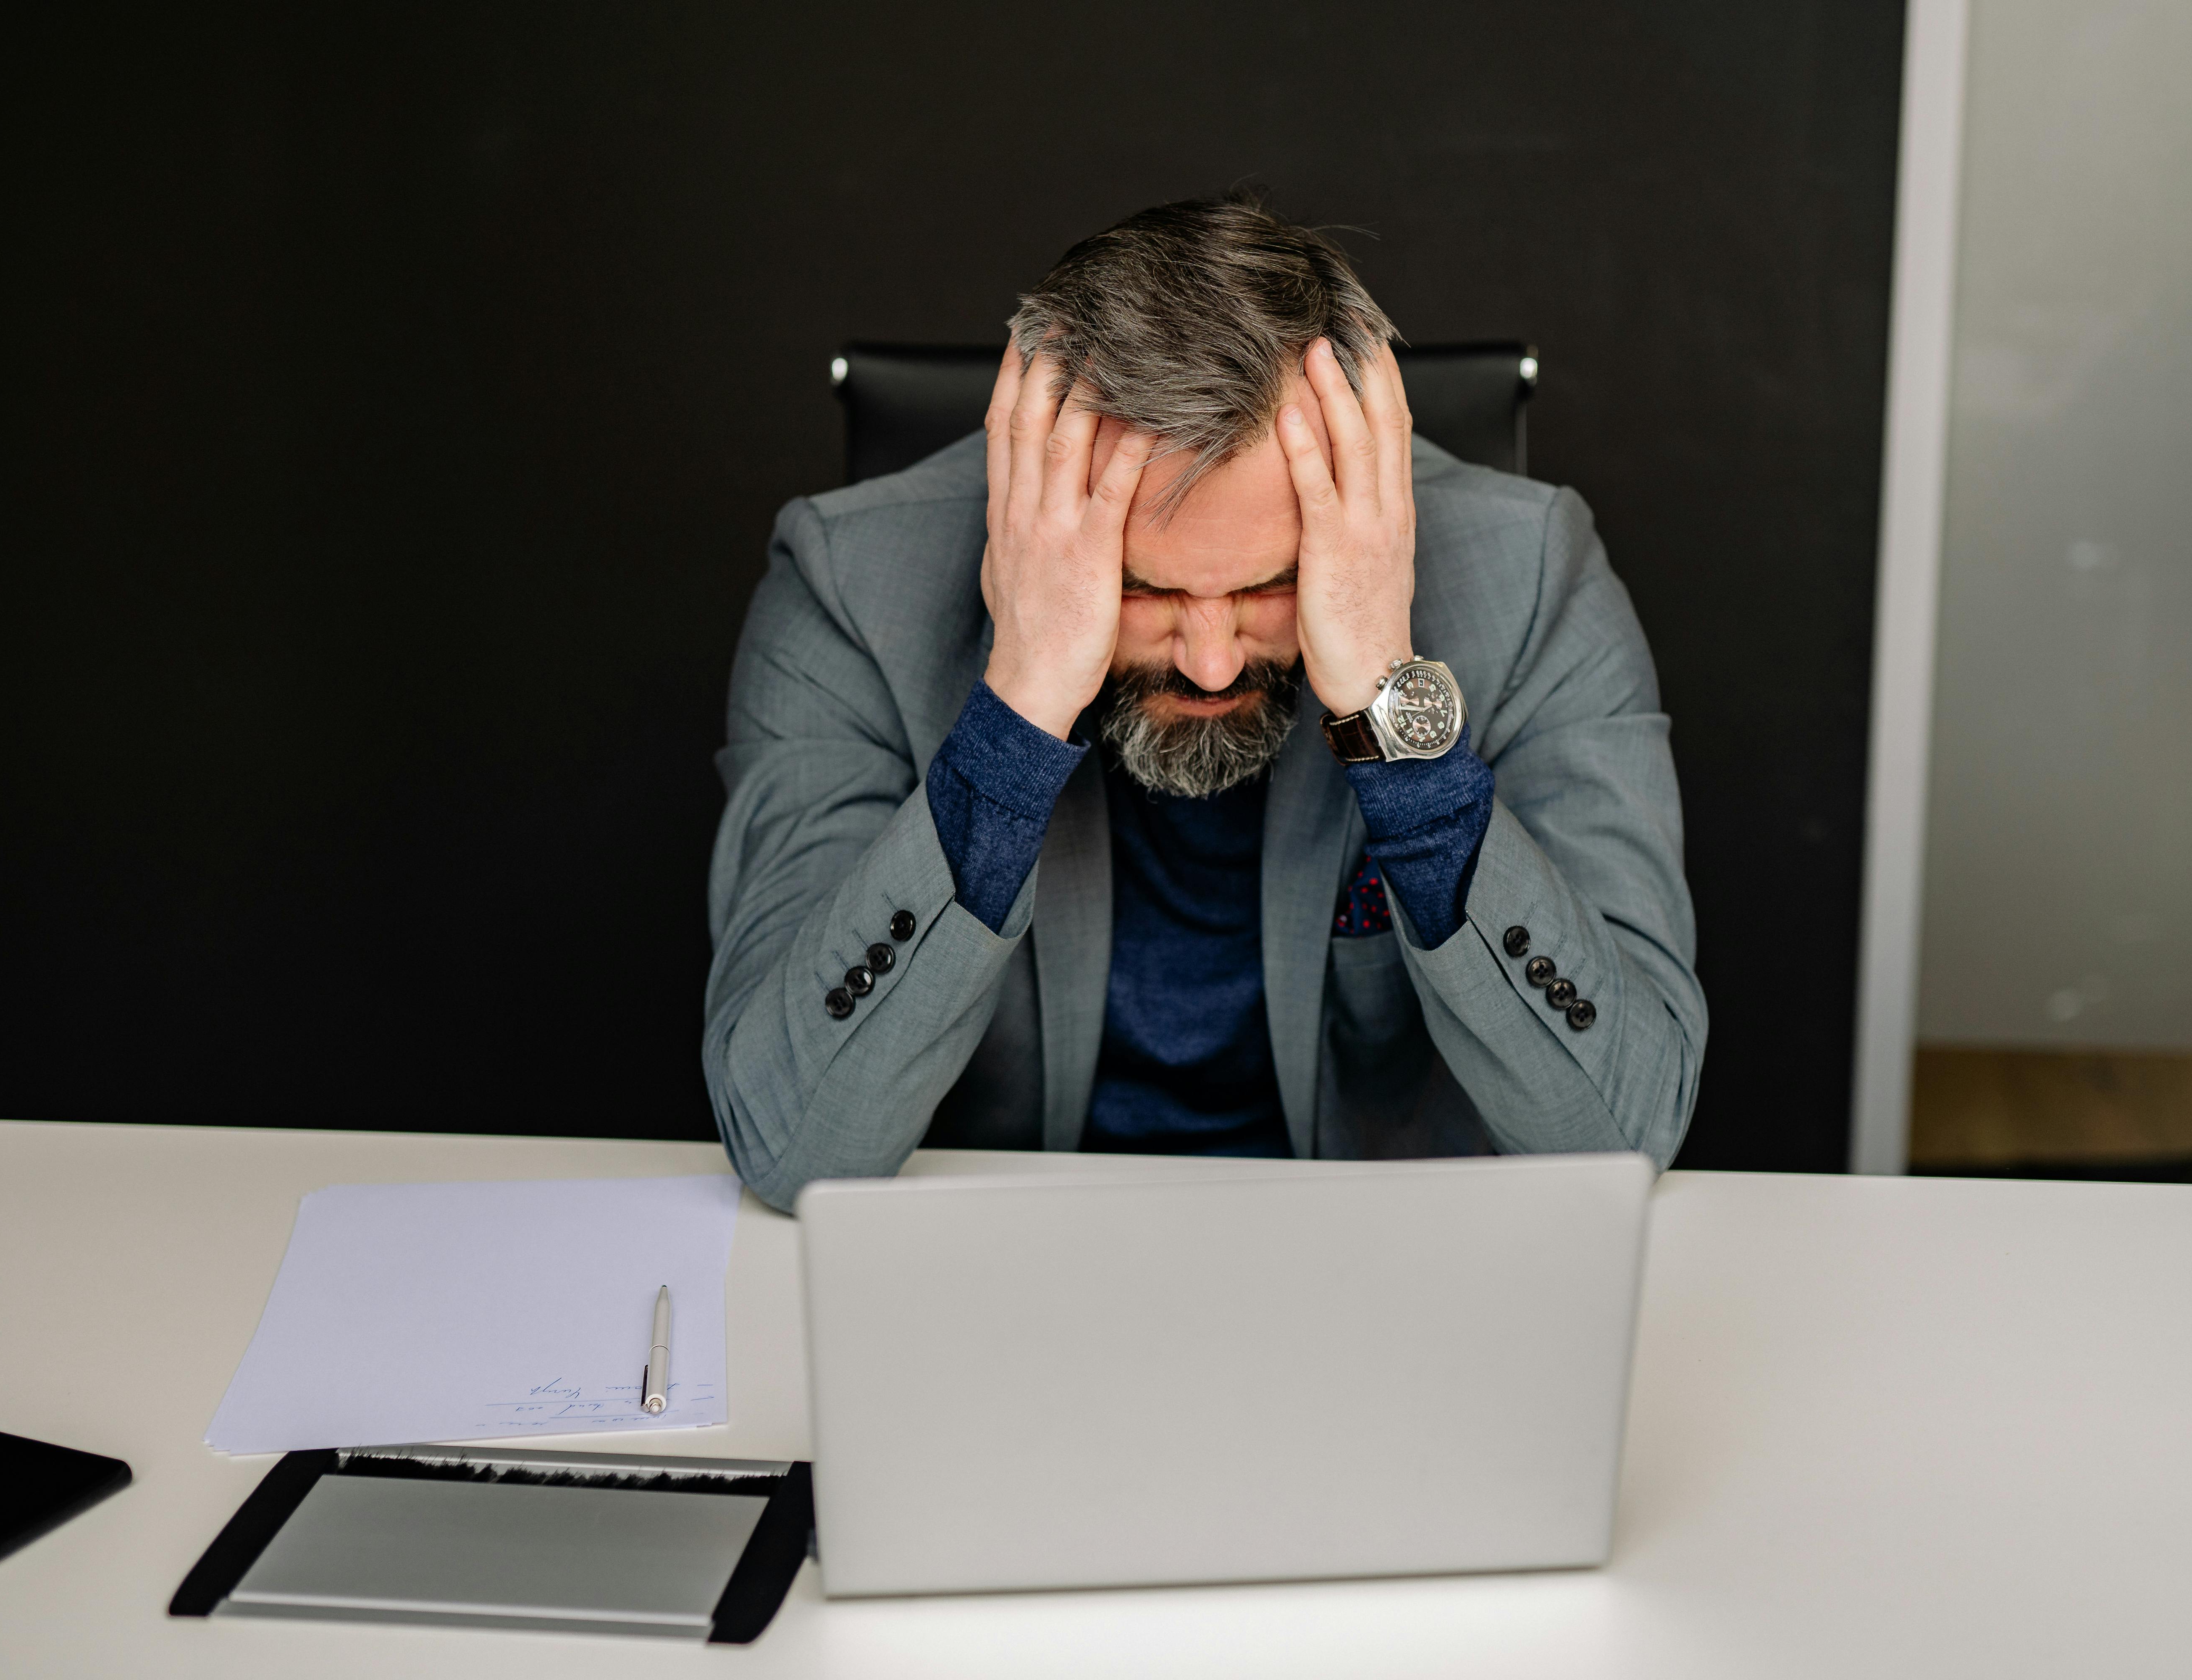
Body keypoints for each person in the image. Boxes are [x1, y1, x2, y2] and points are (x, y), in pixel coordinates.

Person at [704, 193, 1704, 1212]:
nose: (1216, 664)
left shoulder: (1531, 579)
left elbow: (1622, 1132)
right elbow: (790, 1144)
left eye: (1272, 584)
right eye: (1144, 590)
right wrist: (1020, 706)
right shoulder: (848, 584)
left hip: (1372, 1261)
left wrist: (1396, 721)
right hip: (1002, 1256)